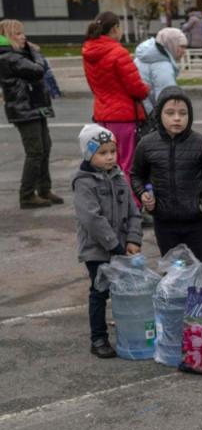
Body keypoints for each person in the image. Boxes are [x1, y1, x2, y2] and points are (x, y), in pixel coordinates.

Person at [130, 87, 202, 270]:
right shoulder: (147, 144)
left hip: (198, 224)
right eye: (170, 113)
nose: (177, 118)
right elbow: (136, 175)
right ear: (159, 114)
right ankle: (175, 299)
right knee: (174, 273)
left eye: (183, 113)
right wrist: (142, 194)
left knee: (200, 271)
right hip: (165, 224)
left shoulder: (201, 144)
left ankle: (198, 299)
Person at [72, 124, 143, 359]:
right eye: (103, 152)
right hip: (98, 251)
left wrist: (133, 239)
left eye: (112, 151)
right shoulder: (83, 182)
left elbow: (133, 210)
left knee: (123, 291)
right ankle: (98, 338)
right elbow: (92, 219)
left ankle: (126, 329)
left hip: (121, 248)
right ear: (89, 154)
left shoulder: (119, 176)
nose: (110, 156)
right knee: (100, 291)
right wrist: (114, 246)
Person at [82, 12, 151, 191]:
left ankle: (111, 204)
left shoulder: (88, 52)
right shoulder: (118, 52)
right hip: (124, 117)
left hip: (101, 116)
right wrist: (146, 89)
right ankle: (132, 206)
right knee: (127, 164)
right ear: (115, 29)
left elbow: (93, 85)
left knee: (106, 164)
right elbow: (136, 88)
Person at [0, 19, 61, 209]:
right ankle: (26, 195)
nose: (23, 37)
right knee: (35, 151)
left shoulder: (17, 54)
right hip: (23, 108)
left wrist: (29, 50)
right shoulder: (8, 56)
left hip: (33, 106)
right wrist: (35, 52)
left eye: (23, 33)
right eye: (18, 34)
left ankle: (44, 189)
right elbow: (37, 70)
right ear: (8, 36)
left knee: (45, 147)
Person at [134, 28, 188, 114]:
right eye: (181, 46)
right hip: (152, 116)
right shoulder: (163, 65)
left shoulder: (143, 57)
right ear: (171, 44)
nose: (184, 51)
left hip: (138, 112)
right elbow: (167, 99)